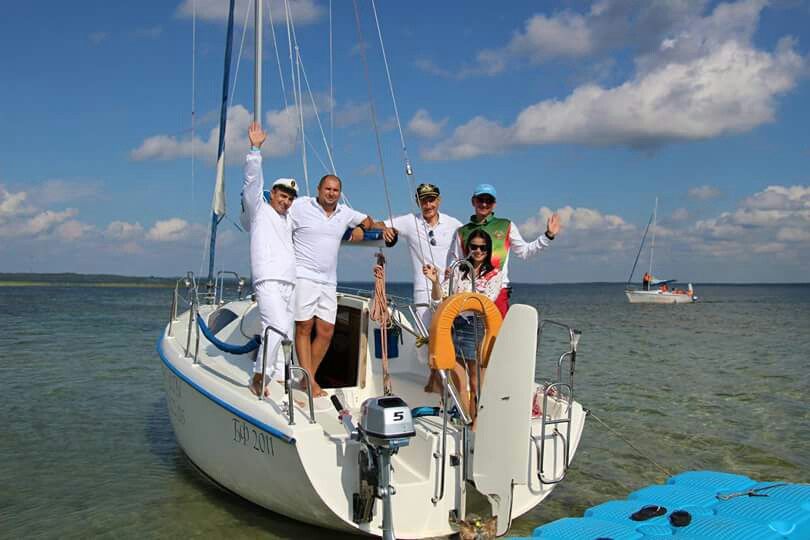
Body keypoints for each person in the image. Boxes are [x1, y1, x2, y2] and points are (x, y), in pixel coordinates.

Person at [289, 174, 393, 397]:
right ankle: (310, 381)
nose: (331, 193)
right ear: (318, 189)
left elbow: (368, 219)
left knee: (326, 331)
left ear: (340, 193)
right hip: (303, 276)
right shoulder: (301, 206)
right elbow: (277, 212)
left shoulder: (344, 213)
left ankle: (307, 378)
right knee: (304, 326)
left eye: (335, 190)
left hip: (328, 280)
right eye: (327, 189)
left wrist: (362, 228)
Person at [383, 183, 462, 392]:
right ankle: (434, 375)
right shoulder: (410, 221)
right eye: (423, 200)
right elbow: (382, 224)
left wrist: (456, 268)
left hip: (449, 287)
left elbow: (468, 247)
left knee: (448, 334)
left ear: (439, 200)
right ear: (417, 202)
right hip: (423, 289)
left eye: (431, 200)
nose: (428, 205)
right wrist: (386, 230)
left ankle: (442, 379)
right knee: (426, 337)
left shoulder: (454, 224)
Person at [242, 122, 298, 397]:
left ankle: (276, 381)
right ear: (272, 194)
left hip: (290, 283)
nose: (285, 201)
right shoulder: (259, 211)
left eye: (289, 199)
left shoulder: (289, 219)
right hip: (269, 281)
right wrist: (255, 150)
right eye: (282, 195)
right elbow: (252, 184)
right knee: (275, 329)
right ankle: (258, 378)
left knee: (286, 335)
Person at [423, 230, 503, 418]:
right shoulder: (459, 271)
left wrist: (455, 302)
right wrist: (435, 282)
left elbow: (486, 301)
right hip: (453, 325)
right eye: (474, 246)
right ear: (468, 248)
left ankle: (478, 422)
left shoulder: (494, 274)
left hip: (476, 327)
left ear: (488, 249)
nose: (478, 251)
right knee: (458, 380)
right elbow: (439, 299)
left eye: (482, 247)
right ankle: (466, 419)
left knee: (476, 382)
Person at [448, 183, 560, 316]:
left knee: (498, 329)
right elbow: (457, 263)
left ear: (494, 204)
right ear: (473, 201)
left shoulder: (505, 225)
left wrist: (548, 236)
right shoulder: (462, 231)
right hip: (469, 292)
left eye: (489, 200)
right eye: (480, 200)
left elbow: (525, 252)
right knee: (469, 329)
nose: (484, 204)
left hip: (498, 290)